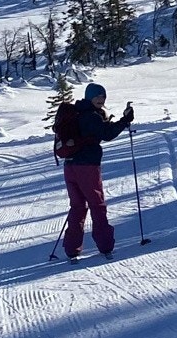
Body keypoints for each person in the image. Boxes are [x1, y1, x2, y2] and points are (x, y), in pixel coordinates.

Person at [56, 81, 134, 260]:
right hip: (87, 167)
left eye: (103, 96)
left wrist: (119, 121)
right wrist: (125, 121)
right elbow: (106, 134)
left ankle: (71, 249)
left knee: (77, 206)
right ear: (89, 96)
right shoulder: (91, 116)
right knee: (97, 204)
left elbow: (102, 130)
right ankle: (105, 246)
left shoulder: (77, 113)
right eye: (97, 95)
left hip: (70, 166)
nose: (101, 99)